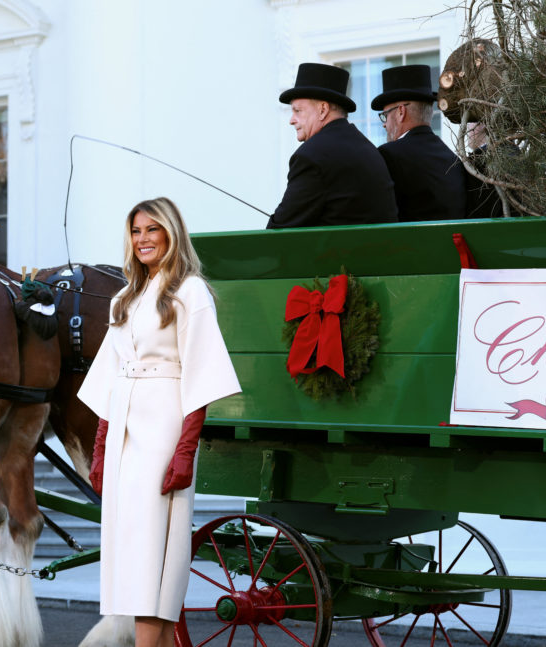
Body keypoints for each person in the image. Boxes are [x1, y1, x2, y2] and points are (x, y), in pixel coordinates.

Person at [78, 197, 241, 647]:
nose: (143, 239)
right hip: (124, 427)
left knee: (153, 556)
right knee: (131, 552)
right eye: (136, 231)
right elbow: (109, 378)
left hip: (164, 426)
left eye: (152, 229)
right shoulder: (124, 299)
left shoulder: (190, 291)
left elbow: (201, 375)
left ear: (171, 233)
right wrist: (100, 450)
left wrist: (185, 451)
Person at [267, 62, 397, 229]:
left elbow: (280, 230)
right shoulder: (369, 149)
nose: (292, 120)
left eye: (297, 111)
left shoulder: (311, 157)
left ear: (323, 110)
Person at [371, 64, 466, 222]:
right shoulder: (452, 158)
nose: (384, 124)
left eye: (385, 115)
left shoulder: (389, 155)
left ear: (401, 112)